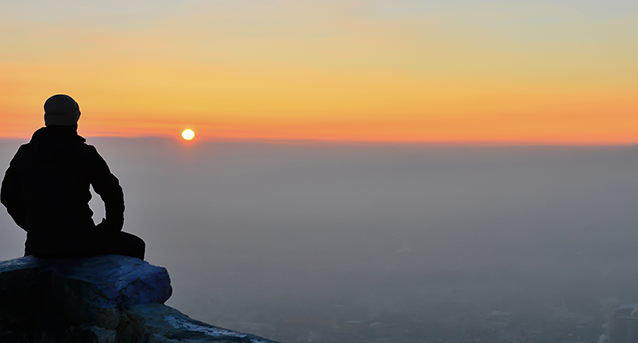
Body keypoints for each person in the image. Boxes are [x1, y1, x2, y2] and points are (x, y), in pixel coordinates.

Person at [1, 94, 145, 260]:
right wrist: (111, 228)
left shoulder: (25, 154)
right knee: (135, 246)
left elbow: (7, 195)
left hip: (38, 246)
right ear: (75, 118)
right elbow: (112, 192)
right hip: (81, 244)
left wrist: (32, 227)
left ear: (46, 119)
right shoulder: (84, 154)